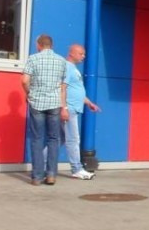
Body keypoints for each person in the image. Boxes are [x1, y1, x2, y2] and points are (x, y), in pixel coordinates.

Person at [22, 34, 67, 186]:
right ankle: (51, 175)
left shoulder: (33, 58)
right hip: (54, 103)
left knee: (37, 138)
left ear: (39, 45)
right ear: (51, 45)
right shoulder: (61, 61)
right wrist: (64, 106)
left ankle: (37, 177)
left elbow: (24, 80)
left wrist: (29, 93)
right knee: (53, 138)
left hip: (37, 103)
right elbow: (63, 86)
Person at [62, 44, 99, 180]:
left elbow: (76, 90)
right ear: (71, 53)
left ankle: (41, 166)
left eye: (84, 54)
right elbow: (62, 88)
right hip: (69, 109)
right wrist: (64, 108)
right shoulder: (67, 67)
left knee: (57, 139)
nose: (83, 56)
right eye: (81, 54)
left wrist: (89, 103)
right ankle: (76, 169)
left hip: (72, 109)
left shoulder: (74, 69)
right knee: (73, 139)